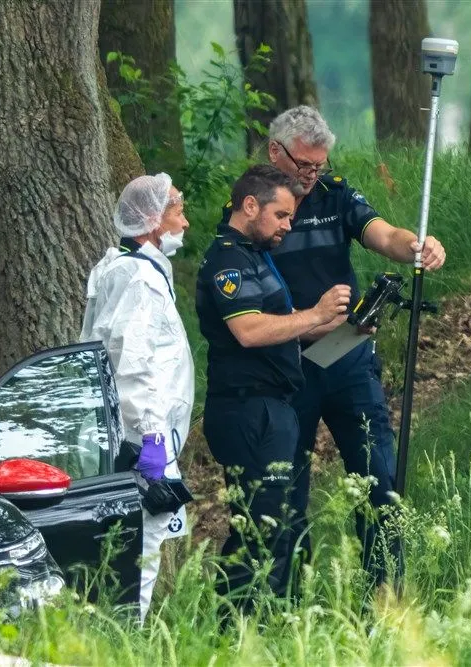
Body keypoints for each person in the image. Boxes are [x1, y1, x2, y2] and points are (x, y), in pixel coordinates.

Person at [256, 105, 447, 589]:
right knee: (285, 491)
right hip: (284, 365)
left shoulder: (333, 193)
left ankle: (385, 592)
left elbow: (382, 233)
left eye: (319, 165)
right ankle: (288, 602)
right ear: (275, 151)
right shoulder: (253, 205)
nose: (311, 175)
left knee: (377, 475)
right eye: (304, 165)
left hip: (347, 356)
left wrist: (416, 246)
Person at [196, 164, 352, 608]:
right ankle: (235, 631)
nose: (289, 224)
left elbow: (281, 326)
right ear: (250, 206)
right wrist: (316, 314)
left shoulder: (254, 254)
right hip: (248, 410)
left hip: (275, 406)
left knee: (278, 525)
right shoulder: (228, 258)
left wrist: (345, 326)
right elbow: (248, 330)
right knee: (258, 529)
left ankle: (268, 625)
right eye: (281, 215)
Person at [80, 173, 194, 623]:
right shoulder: (138, 279)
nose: (184, 222)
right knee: (142, 543)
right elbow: (134, 362)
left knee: (133, 541)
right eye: (177, 211)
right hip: (141, 437)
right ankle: (130, 636)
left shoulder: (125, 268)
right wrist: (151, 438)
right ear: (151, 221)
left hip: (133, 431)